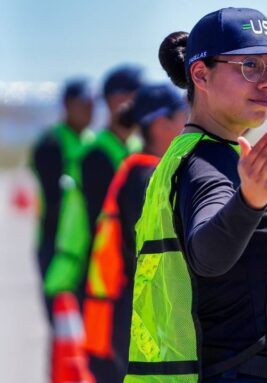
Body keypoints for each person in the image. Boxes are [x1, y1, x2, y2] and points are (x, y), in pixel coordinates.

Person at [125, 8, 267, 383]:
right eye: (250, 66)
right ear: (200, 74)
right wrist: (249, 201)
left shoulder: (193, 155)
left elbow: (221, 295)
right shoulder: (206, 164)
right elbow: (208, 256)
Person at [82, 83, 188, 383]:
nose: (187, 122)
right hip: (139, 316)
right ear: (160, 123)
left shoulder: (136, 169)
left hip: (130, 311)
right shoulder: (148, 179)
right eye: (183, 114)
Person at [43, 65, 144, 304]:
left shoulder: (136, 148)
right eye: (139, 94)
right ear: (118, 99)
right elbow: (96, 222)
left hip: (124, 270)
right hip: (96, 271)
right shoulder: (94, 155)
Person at [30, 78, 95, 325]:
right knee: (62, 323)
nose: (88, 108)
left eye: (91, 103)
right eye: (82, 103)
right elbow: (51, 197)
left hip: (86, 243)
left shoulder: (93, 141)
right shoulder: (50, 143)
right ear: (67, 105)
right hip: (55, 242)